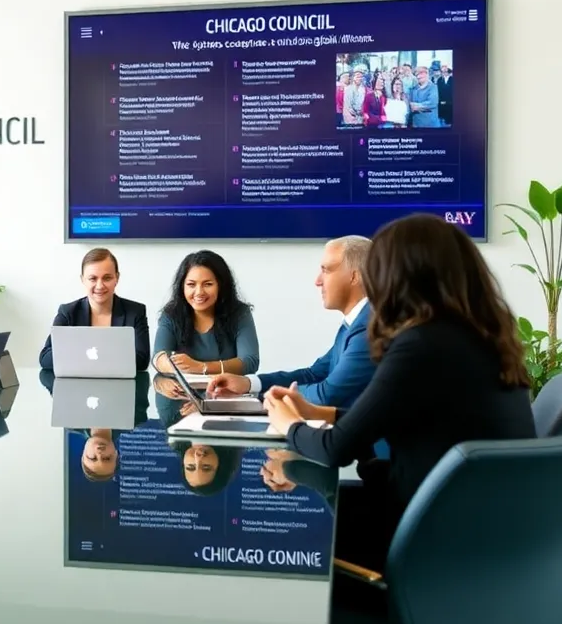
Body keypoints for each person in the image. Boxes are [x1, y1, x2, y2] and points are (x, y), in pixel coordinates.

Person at [216, 213, 536, 575]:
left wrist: (290, 424)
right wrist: (320, 414)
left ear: (400, 275)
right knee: (306, 504)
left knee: (276, 531)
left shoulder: (419, 344)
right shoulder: (480, 336)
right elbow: (407, 418)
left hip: (426, 533)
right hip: (470, 519)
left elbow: (338, 449)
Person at [206, 236, 375, 408]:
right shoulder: (354, 323)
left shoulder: (368, 328)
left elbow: (327, 394)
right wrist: (248, 384)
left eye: (326, 270)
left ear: (355, 277)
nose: (318, 281)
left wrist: (265, 396)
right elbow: (314, 374)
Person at [38, 248, 150, 371]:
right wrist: (105, 355)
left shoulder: (135, 312)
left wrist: (82, 354)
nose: (100, 285)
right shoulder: (68, 312)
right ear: (82, 280)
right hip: (77, 387)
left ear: (116, 278)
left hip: (120, 386)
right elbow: (46, 358)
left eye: (107, 278)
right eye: (93, 278)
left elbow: (142, 360)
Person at [151, 250, 260, 376]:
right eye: (191, 284)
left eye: (208, 284)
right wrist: (166, 365)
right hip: (181, 391)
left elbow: (250, 362)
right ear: (182, 287)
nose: (199, 292)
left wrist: (201, 367)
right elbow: (158, 357)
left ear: (221, 285)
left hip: (226, 392)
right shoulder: (171, 314)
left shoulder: (239, 313)